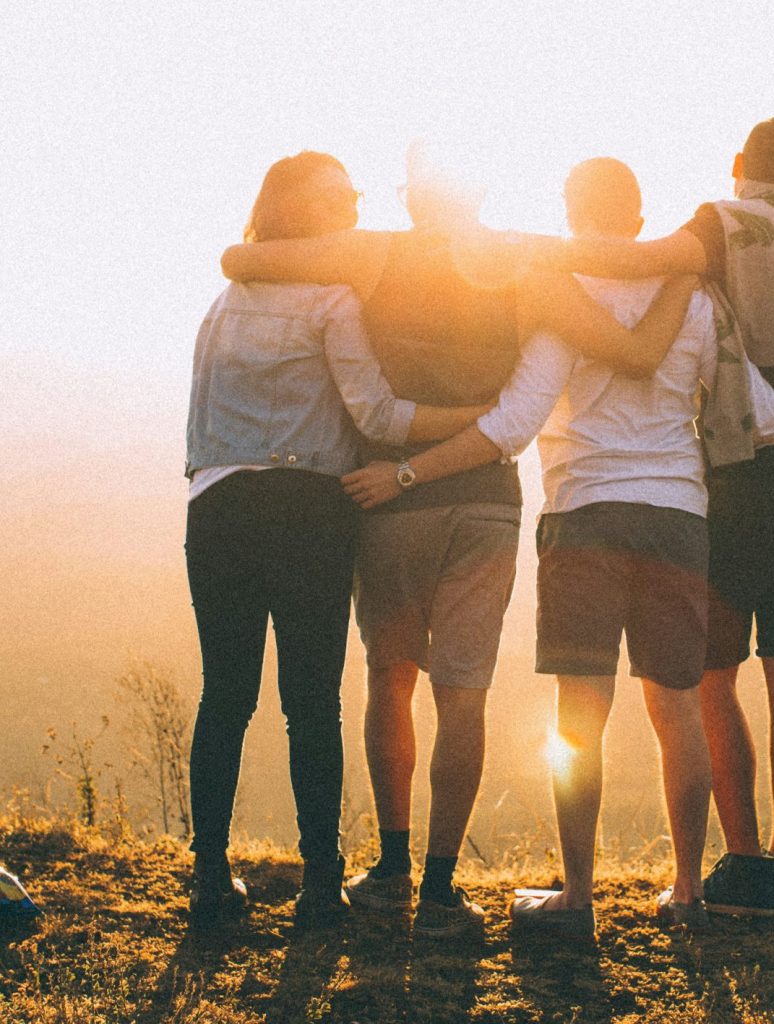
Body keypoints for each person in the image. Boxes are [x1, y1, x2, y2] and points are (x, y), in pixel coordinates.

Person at [340, 156, 774, 940]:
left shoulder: (561, 295)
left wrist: (407, 471)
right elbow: (763, 413)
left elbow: (513, 424)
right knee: (678, 712)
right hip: (678, 521)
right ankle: (689, 892)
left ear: (571, 212)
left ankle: (579, 897)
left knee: (579, 719)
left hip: (584, 516)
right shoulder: (695, 300)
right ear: (638, 219)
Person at [220, 142, 698, 939]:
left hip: (389, 496)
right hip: (485, 501)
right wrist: (684, 268)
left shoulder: (370, 256)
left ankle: (392, 867)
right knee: (463, 692)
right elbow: (630, 350)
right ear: (480, 191)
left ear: (411, 199)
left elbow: (243, 259)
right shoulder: (524, 262)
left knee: (390, 677)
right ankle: (442, 889)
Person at [522, 116, 774, 917]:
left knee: (707, 675)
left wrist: (524, 252)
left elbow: (638, 261)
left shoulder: (726, 222)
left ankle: (739, 864)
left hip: (746, 468)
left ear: (740, 163)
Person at [185, 151, 492, 930]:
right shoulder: (332, 300)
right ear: (305, 212)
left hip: (217, 507)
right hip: (309, 512)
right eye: (340, 197)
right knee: (310, 703)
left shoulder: (223, 304)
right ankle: (322, 884)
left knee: (225, 695)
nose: (354, 206)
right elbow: (379, 418)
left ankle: (210, 877)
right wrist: (478, 421)